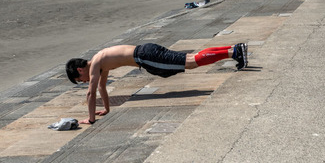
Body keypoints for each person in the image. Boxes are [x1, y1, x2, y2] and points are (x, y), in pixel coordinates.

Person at [66, 42, 248, 124]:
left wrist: (90, 120)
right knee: (190, 59)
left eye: (79, 80)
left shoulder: (96, 63)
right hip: (146, 51)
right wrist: (106, 109)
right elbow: (101, 88)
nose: (83, 82)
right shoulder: (99, 63)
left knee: (190, 62)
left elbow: (91, 93)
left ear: (80, 70)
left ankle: (233, 53)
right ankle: (233, 49)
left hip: (145, 56)